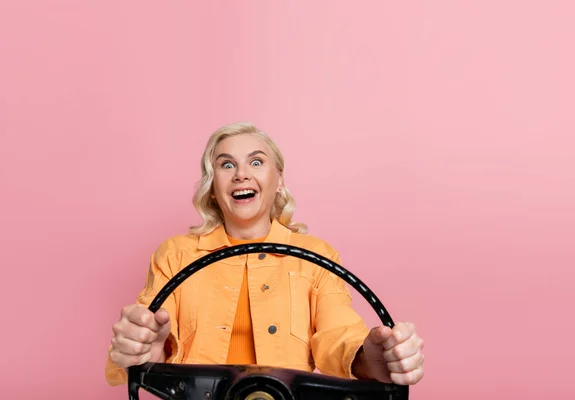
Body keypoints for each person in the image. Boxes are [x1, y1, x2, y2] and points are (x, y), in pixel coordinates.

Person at [105, 122, 425, 387]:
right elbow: (150, 352)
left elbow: (338, 336)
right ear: (213, 186)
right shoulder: (175, 255)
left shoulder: (316, 257)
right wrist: (145, 343)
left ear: (279, 180)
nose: (241, 174)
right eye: (226, 164)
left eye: (256, 162)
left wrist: (372, 357)